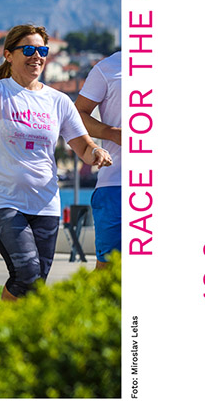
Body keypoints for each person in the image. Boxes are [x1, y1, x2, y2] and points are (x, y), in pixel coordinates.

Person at [0, 0, 113, 301]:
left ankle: (13, 329)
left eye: (42, 51)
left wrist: (95, 151)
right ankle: (2, 328)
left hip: (45, 204)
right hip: (4, 200)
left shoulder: (58, 101)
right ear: (9, 55)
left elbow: (82, 144)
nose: (37, 57)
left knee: (35, 284)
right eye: (28, 50)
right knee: (26, 272)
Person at [75, 52, 122, 269]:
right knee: (107, 270)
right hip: (116, 184)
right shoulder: (108, 68)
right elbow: (77, 114)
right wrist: (111, 133)